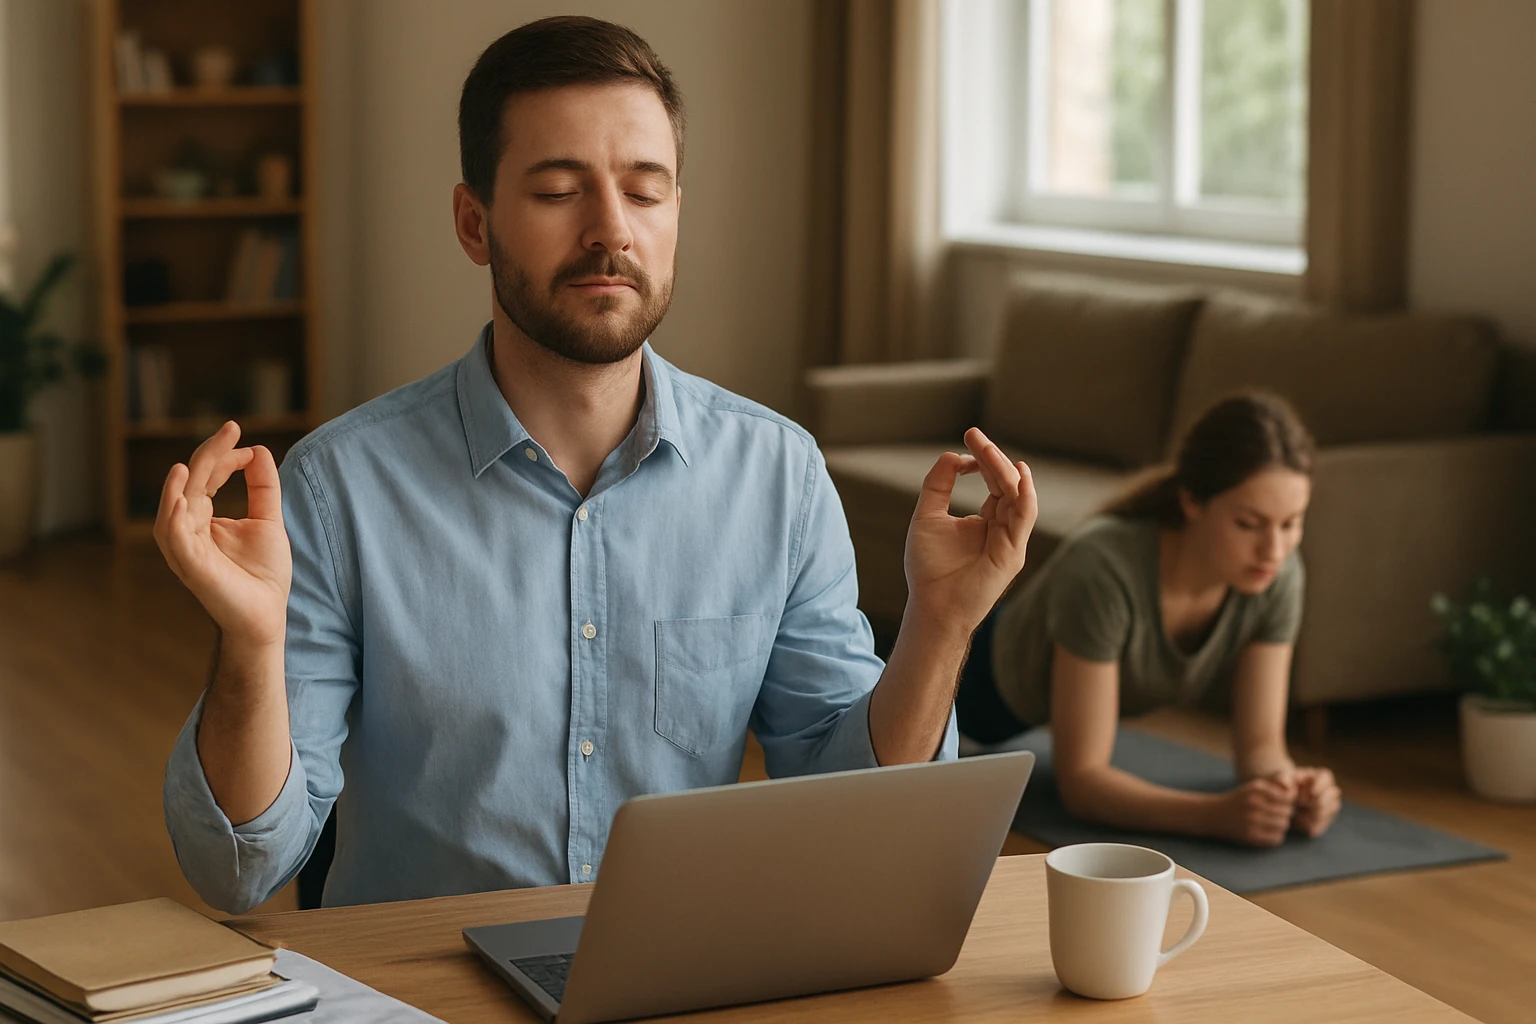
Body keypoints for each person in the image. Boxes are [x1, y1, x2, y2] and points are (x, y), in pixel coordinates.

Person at [155, 16, 1038, 914]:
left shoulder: (779, 476)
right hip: (420, 995)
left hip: (682, 976)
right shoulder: (336, 488)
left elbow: (858, 818)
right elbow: (238, 871)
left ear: (675, 215)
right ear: (474, 223)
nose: (610, 229)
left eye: (645, 193)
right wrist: (253, 645)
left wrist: (937, 626)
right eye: (557, 191)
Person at [955, 392, 1342, 847]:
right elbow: (1082, 783)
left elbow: (1261, 747)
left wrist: (1290, 789)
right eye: (1249, 524)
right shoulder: (1104, 566)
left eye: (1291, 523)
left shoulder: (1277, 577)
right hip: (969, 694)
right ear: (1192, 501)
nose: (1274, 551)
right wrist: (1216, 816)